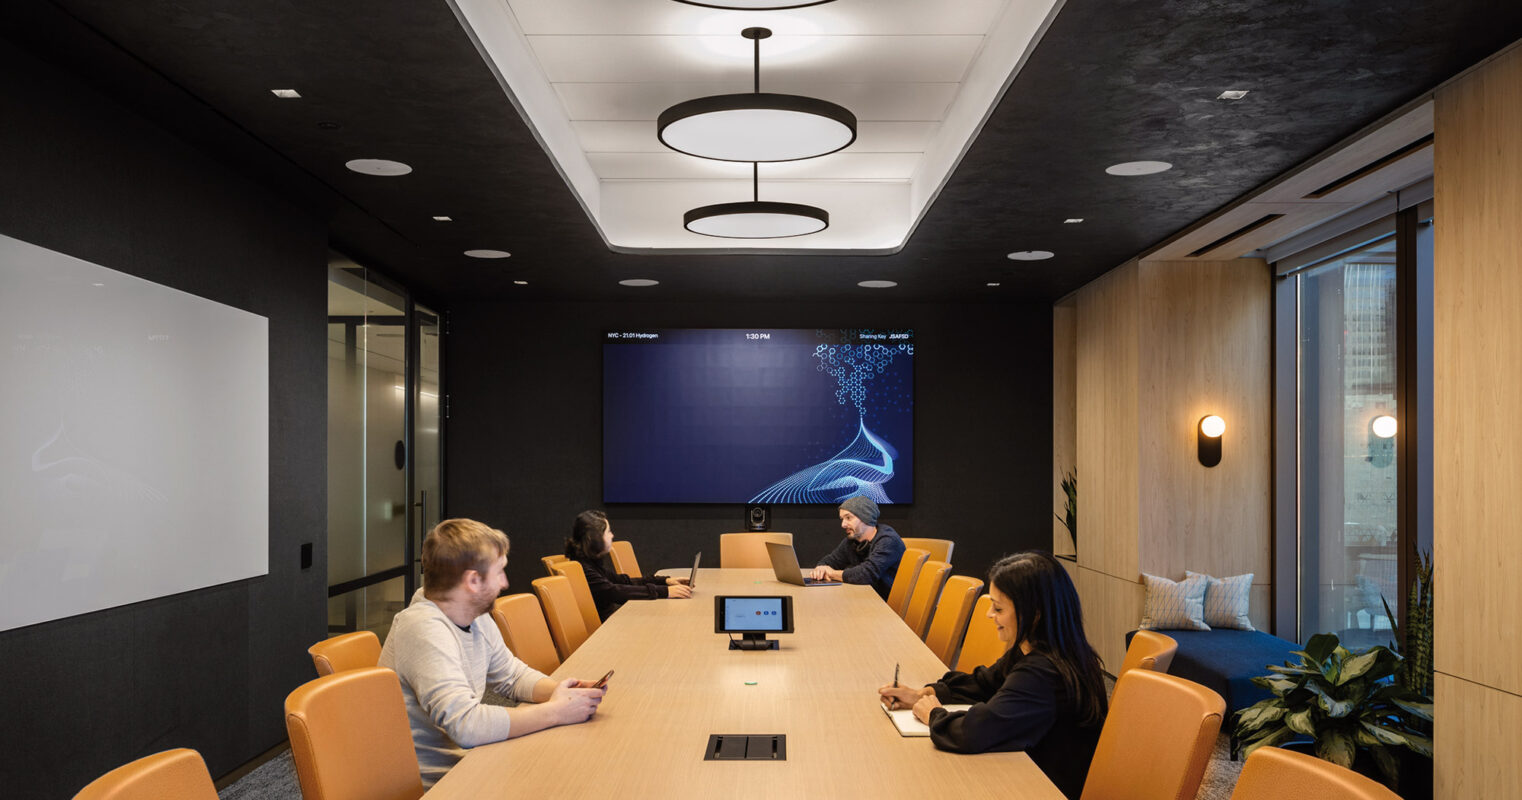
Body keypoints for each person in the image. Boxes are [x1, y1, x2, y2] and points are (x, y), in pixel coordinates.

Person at [379, 518, 606, 787]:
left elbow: (511, 675)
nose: (505, 582)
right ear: (473, 580)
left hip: (477, 761)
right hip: (444, 784)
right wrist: (557, 712)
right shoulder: (422, 629)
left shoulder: (472, 614)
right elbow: (466, 724)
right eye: (499, 572)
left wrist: (563, 692)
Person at [877, 551, 1108, 799]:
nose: (989, 615)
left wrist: (933, 713)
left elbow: (974, 732)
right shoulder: (1045, 649)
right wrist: (926, 693)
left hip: (1044, 787)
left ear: (1035, 614)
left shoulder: (1042, 672)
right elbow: (986, 683)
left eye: (998, 608)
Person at [565, 510, 691, 619]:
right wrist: (665, 592)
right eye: (608, 532)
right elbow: (615, 592)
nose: (612, 535)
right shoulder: (583, 568)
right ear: (595, 538)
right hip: (604, 631)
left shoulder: (589, 563)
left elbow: (623, 581)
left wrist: (664, 581)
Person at [807, 495, 905, 599]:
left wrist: (831, 573)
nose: (843, 525)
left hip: (887, 606)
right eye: (842, 519)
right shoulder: (852, 541)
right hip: (866, 599)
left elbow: (865, 575)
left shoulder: (888, 541)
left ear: (866, 517)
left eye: (848, 518)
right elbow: (829, 561)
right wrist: (821, 569)